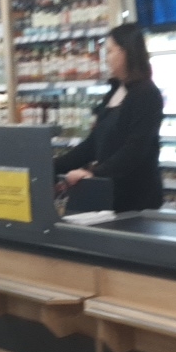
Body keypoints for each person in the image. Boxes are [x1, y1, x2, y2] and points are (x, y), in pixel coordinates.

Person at [54, 23, 164, 213]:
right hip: (109, 195)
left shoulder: (146, 94)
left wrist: (93, 172)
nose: (106, 58)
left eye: (110, 51)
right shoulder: (114, 92)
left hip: (137, 200)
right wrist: (53, 166)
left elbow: (135, 149)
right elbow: (92, 145)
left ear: (126, 51)